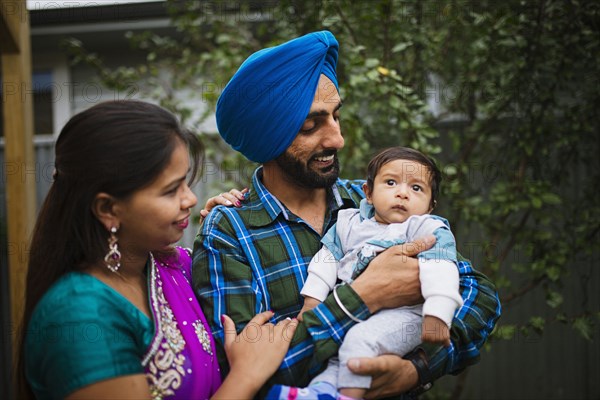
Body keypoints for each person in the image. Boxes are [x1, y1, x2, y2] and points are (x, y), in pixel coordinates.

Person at [193, 30, 501, 398]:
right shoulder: (229, 233)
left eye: (336, 116)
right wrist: (362, 296)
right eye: (311, 125)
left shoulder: (372, 200)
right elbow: (244, 375)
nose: (336, 139)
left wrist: (416, 368)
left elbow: (480, 298)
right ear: (267, 138)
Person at [16, 100, 298, 400]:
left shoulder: (171, 267)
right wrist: (246, 376)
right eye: (170, 190)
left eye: (186, 183)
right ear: (108, 209)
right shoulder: (78, 318)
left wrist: (224, 230)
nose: (189, 199)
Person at [269, 146, 464, 400]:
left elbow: (443, 267)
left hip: (406, 315)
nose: (402, 193)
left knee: (359, 341)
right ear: (368, 193)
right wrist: (312, 301)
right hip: (360, 310)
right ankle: (321, 391)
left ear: (430, 206)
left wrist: (438, 314)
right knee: (337, 353)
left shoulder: (425, 228)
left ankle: (349, 396)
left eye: (416, 188)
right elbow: (326, 259)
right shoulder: (349, 223)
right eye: (391, 182)